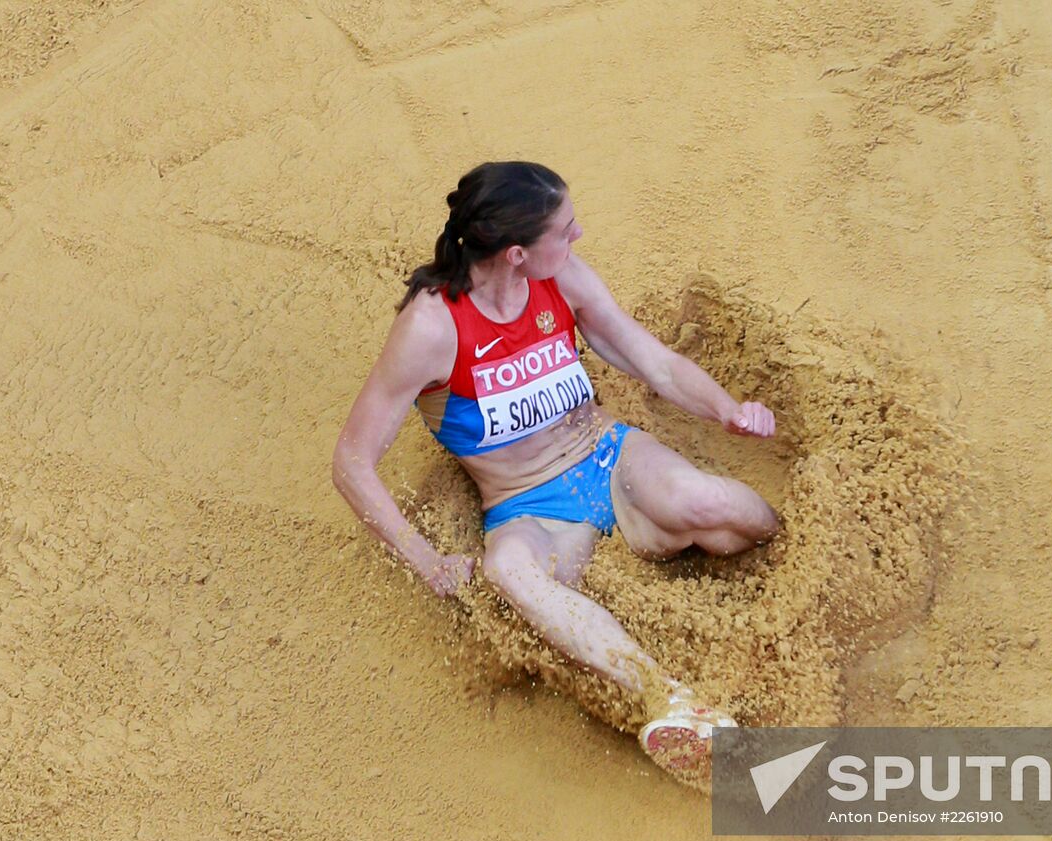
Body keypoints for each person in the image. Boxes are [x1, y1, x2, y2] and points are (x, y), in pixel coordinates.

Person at [332, 161, 781, 786]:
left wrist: (728, 411)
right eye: (565, 230)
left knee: (725, 515)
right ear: (516, 253)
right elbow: (352, 461)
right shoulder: (432, 328)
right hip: (528, 506)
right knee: (508, 570)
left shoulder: (560, 277)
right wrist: (424, 557)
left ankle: (776, 543)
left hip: (607, 456)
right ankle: (671, 700)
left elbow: (653, 361)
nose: (578, 238)